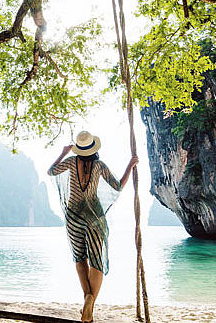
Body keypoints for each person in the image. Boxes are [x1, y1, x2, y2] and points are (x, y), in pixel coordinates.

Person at [48, 131, 139, 323]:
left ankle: (87, 297)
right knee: (96, 262)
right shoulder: (99, 165)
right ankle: (90, 301)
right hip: (94, 217)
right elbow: (118, 186)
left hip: (73, 216)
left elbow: (51, 171)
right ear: (93, 148)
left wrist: (64, 152)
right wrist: (130, 166)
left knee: (80, 259)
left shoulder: (71, 162)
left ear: (78, 149)